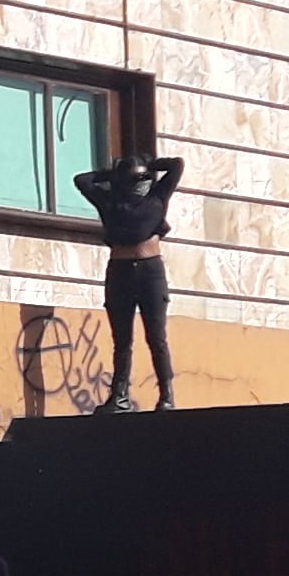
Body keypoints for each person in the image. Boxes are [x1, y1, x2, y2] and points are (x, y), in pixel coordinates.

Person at [70, 152, 185, 412]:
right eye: (134, 180)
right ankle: (119, 395)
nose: (139, 184)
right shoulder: (110, 201)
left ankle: (166, 396)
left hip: (150, 271)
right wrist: (116, 173)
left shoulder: (157, 196)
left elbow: (176, 165)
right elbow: (81, 180)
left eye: (143, 179)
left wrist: (146, 166)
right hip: (120, 271)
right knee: (122, 340)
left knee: (156, 337)